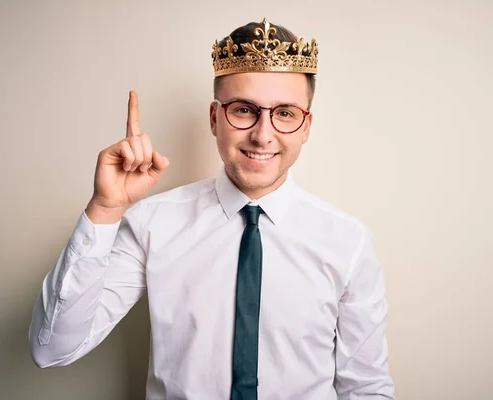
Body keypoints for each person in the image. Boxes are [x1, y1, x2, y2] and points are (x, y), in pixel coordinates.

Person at [29, 18, 395, 400]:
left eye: (284, 113)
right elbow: (51, 349)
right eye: (243, 110)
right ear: (214, 118)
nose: (263, 134)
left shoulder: (348, 242)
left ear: (306, 126)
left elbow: (366, 388)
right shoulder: (153, 224)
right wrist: (104, 208)